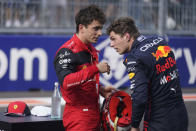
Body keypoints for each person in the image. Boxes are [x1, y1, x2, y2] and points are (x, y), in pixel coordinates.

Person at [106, 17, 188, 131]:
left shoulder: (134, 59)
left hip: (159, 122)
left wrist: (134, 126)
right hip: (181, 116)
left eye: (113, 39)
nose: (111, 44)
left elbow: (140, 97)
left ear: (126, 36)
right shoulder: (159, 41)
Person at [53, 5, 115, 131]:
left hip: (94, 116)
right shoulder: (66, 51)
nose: (100, 33)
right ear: (81, 27)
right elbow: (66, 82)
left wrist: (101, 90)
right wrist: (96, 69)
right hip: (79, 120)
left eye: (101, 28)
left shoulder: (90, 49)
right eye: (95, 29)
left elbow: (84, 83)